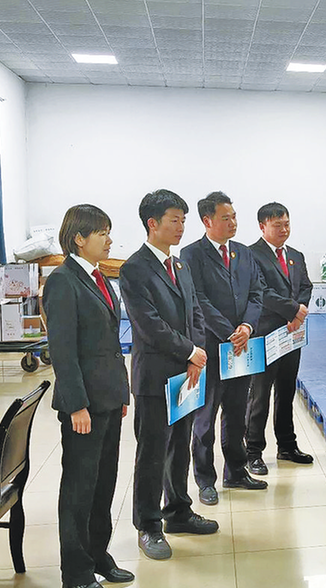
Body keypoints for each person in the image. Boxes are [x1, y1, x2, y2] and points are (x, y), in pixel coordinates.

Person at [119, 189, 218, 561]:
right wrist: (190, 351)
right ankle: (148, 525)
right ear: (152, 223)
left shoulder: (180, 266)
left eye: (183, 220)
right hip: (155, 378)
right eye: (174, 220)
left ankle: (178, 511)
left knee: (179, 448)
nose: (181, 227)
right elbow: (149, 326)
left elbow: (195, 313)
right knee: (152, 454)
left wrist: (196, 355)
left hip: (186, 375)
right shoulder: (134, 269)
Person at [43, 205, 133, 588]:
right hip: (84, 406)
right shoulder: (63, 281)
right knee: (79, 488)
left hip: (108, 399)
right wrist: (77, 405)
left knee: (104, 482)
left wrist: (121, 392)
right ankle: (76, 569)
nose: (109, 240)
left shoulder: (101, 278)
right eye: (102, 233)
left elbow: (110, 344)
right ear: (79, 238)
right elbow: (63, 351)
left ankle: (99, 555)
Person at [180, 192, 267, 506]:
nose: (233, 223)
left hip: (241, 348)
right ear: (207, 221)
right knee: (205, 418)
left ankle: (236, 471)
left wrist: (247, 327)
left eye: (234, 217)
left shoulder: (243, 253)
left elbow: (257, 292)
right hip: (211, 349)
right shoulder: (191, 255)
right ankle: (205, 480)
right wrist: (230, 332)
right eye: (225, 218)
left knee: (236, 412)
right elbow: (198, 299)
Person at [245, 202, 313, 475]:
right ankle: (253, 452)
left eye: (286, 224)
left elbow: (305, 286)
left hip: (291, 335)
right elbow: (260, 292)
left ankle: (287, 445)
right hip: (265, 334)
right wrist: (293, 310)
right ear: (262, 226)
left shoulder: (295, 255)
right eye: (277, 225)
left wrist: (299, 312)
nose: (284, 229)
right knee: (259, 395)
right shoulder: (251, 255)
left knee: (286, 392)